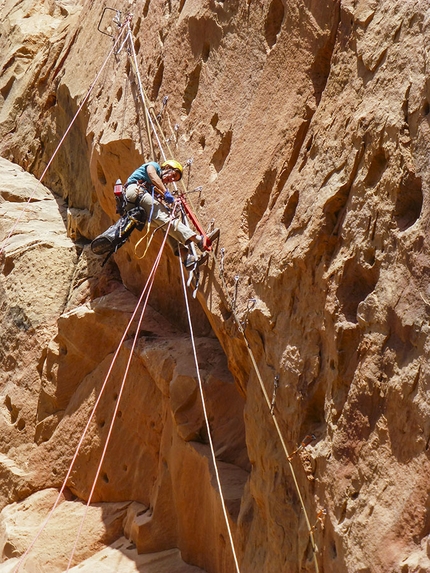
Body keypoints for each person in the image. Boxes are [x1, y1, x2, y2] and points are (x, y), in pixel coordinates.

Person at [123, 159, 218, 268]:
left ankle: (185, 257)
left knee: (165, 225)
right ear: (167, 167)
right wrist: (167, 194)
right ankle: (198, 240)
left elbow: (158, 202)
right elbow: (152, 175)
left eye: (174, 180)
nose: (171, 179)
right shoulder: (153, 166)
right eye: (173, 175)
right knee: (164, 217)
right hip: (135, 191)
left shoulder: (156, 188)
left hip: (136, 212)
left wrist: (170, 205)